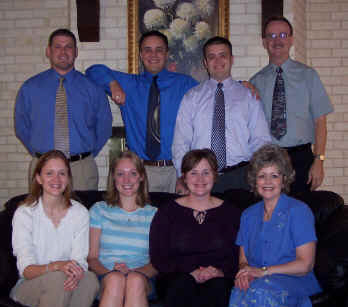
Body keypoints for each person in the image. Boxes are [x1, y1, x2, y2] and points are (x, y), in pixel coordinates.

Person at [85, 31, 198, 193]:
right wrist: (113, 84)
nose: (153, 55)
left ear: (167, 54)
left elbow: (210, 94)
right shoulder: (129, 84)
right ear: (140, 54)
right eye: (147, 49)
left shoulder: (184, 83)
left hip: (176, 171)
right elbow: (92, 71)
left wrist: (241, 85)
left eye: (159, 50)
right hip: (141, 172)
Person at [15, 28, 112, 190]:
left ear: (76, 52)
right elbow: (21, 127)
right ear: (48, 51)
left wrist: (84, 156)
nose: (63, 51)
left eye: (68, 47)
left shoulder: (92, 88)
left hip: (81, 170)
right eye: (57, 46)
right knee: (41, 215)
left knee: (82, 212)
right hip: (43, 169)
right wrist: (42, 157)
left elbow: (104, 126)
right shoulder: (30, 87)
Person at [172, 36, 271, 194]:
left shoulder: (248, 96)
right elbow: (181, 141)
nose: (217, 61)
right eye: (211, 57)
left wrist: (261, 175)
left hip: (242, 177)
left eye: (222, 55)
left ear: (232, 59)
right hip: (200, 179)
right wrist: (182, 176)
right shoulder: (191, 97)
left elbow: (261, 140)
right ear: (205, 63)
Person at [228, 144, 321, 307]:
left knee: (260, 292)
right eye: (262, 175)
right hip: (258, 281)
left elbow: (305, 265)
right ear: (254, 180)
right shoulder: (248, 215)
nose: (268, 182)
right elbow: (243, 260)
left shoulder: (299, 211)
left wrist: (263, 271)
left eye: (274, 175)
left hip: (293, 281)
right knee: (239, 292)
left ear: (284, 179)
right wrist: (245, 272)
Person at [250, 16, 333, 194]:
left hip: (301, 159)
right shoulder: (256, 81)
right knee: (271, 213)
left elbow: (320, 122)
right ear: (264, 42)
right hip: (268, 159)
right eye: (271, 36)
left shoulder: (308, 76)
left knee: (300, 212)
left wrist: (319, 160)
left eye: (282, 34)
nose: (277, 40)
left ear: (291, 39)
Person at [149, 149, 240, 307]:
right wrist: (191, 274)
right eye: (193, 173)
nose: (200, 179)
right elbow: (158, 256)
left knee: (218, 288)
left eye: (206, 172)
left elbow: (237, 254)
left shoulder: (231, 212)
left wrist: (219, 271)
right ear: (184, 177)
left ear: (215, 175)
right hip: (176, 277)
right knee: (182, 286)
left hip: (218, 278)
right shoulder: (167, 212)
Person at [10, 150, 99, 307]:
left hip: (65, 280)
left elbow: (79, 260)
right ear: (38, 178)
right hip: (28, 286)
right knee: (58, 279)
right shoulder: (24, 213)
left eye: (62, 173)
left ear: (68, 178)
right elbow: (26, 270)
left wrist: (76, 273)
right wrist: (56, 266)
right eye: (49, 173)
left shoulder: (80, 213)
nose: (56, 179)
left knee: (90, 280)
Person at [88, 151, 158, 307]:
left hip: (142, 278)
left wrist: (134, 271)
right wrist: (111, 273)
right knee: (115, 280)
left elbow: (157, 262)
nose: (126, 180)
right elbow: (92, 258)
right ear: (113, 177)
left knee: (134, 280)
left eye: (133, 173)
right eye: (120, 174)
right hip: (105, 276)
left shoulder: (154, 214)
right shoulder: (99, 210)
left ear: (141, 177)